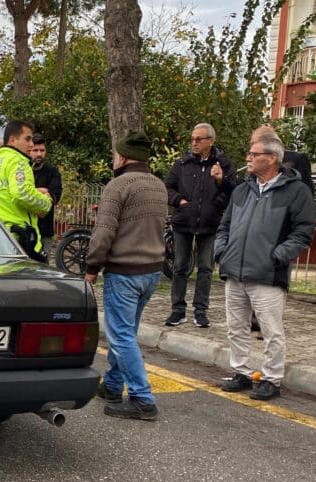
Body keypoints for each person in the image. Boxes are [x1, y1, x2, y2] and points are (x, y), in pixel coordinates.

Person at [214, 133, 315, 401]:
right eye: (249, 153)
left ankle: (271, 379)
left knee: (271, 330)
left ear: (272, 158)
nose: (248, 158)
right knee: (236, 327)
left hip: (268, 274)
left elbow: (303, 232)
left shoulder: (295, 191)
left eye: (254, 154)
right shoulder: (242, 189)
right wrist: (222, 251)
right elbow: (224, 226)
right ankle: (242, 372)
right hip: (234, 270)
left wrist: (278, 255)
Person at [84, 131, 168, 420]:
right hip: (152, 271)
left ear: (121, 155)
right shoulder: (159, 186)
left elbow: (104, 233)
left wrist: (92, 268)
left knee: (120, 336)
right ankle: (113, 384)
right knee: (127, 333)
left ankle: (142, 398)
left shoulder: (117, 186)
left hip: (124, 272)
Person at [164, 122, 237, 328]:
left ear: (210, 141)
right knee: (179, 267)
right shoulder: (182, 163)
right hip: (183, 222)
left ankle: (201, 311)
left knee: (205, 268)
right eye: (192, 139)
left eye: (199, 139)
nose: (194, 143)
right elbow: (168, 186)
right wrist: (180, 201)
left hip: (210, 223)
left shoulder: (223, 164)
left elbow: (233, 191)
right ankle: (177, 310)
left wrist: (219, 191)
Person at [0, 120, 53, 261]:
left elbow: (4, 195)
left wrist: (34, 191)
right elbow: (21, 194)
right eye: (27, 139)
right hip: (18, 242)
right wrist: (47, 202)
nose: (31, 144)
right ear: (12, 140)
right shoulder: (18, 161)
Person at [30, 133, 63, 250]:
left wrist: (29, 192)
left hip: (44, 231)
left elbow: (55, 195)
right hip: (24, 230)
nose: (39, 154)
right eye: (35, 150)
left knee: (43, 265)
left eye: (42, 150)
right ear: (29, 150)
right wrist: (40, 190)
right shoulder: (22, 170)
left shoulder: (52, 172)